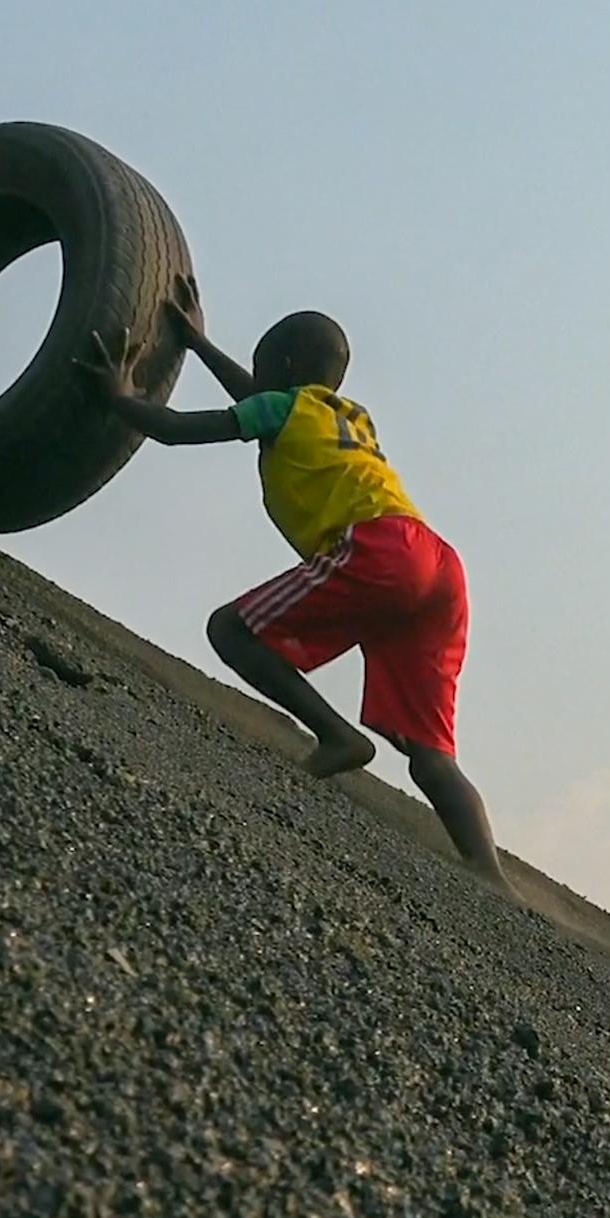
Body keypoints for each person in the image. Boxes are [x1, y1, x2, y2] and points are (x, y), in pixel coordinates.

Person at [82, 278, 514, 894]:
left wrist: (121, 395)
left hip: (379, 549)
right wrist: (198, 345)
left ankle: (336, 736)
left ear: (283, 368)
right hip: (439, 565)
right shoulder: (346, 416)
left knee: (231, 629)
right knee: (427, 750)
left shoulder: (285, 409)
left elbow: (178, 428)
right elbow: (260, 400)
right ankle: (490, 874)